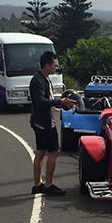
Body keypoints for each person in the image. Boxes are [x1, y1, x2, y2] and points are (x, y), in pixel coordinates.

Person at [29, 51, 76, 196]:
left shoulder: (44, 78)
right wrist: (60, 102)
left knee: (41, 152)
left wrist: (61, 103)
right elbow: (40, 102)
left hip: (41, 122)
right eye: (55, 65)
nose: (56, 67)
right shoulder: (38, 80)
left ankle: (37, 185)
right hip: (44, 123)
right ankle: (48, 185)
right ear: (47, 65)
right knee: (54, 151)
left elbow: (46, 99)